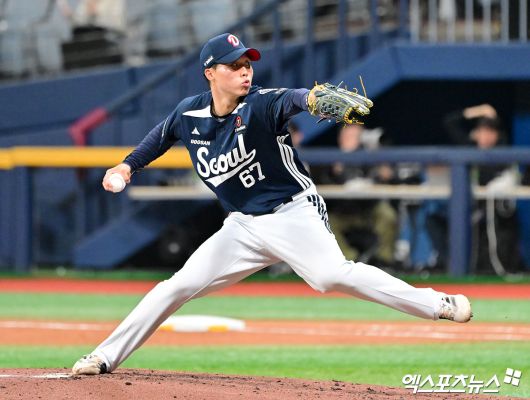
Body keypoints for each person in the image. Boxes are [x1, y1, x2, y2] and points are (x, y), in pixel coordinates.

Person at [72, 33, 472, 375]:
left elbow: (294, 99)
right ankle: (104, 357)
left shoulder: (260, 104)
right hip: (243, 226)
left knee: (329, 276)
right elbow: (159, 138)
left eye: (247, 63)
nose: (245, 71)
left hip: (292, 212)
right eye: (234, 65)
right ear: (210, 73)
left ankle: (437, 303)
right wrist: (126, 166)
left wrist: (314, 99)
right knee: (175, 287)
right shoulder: (189, 113)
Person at [426, 104, 522, 273]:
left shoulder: (502, 150)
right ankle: (445, 265)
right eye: (482, 131)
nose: (485, 136)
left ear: (496, 134)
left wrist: (494, 116)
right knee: (433, 220)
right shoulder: (469, 146)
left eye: (489, 132)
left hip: (493, 211)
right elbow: (450, 122)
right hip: (467, 208)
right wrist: (479, 111)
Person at [312, 124, 398, 266]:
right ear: (340, 138)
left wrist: (382, 172)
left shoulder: (370, 157)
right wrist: (335, 172)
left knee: (387, 215)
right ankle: (351, 260)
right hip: (342, 212)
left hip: (368, 210)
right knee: (322, 221)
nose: (351, 139)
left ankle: (384, 260)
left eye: (355, 136)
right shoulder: (330, 158)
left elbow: (386, 178)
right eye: (347, 136)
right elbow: (321, 183)